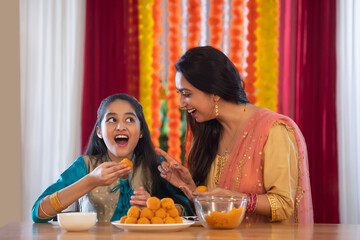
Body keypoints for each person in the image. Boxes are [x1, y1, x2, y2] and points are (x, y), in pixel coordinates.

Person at [156, 46, 313, 223]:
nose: (180, 103)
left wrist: (235, 199)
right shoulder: (208, 132)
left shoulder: (273, 130)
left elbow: (284, 204)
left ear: (214, 92)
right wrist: (191, 188)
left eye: (186, 94)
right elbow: (213, 212)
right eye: (179, 94)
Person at [32, 93, 193, 223]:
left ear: (141, 131)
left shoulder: (154, 165)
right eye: (111, 120)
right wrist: (91, 180)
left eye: (129, 119)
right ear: (99, 132)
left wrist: (155, 208)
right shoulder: (85, 165)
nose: (120, 127)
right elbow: (38, 213)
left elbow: (189, 210)